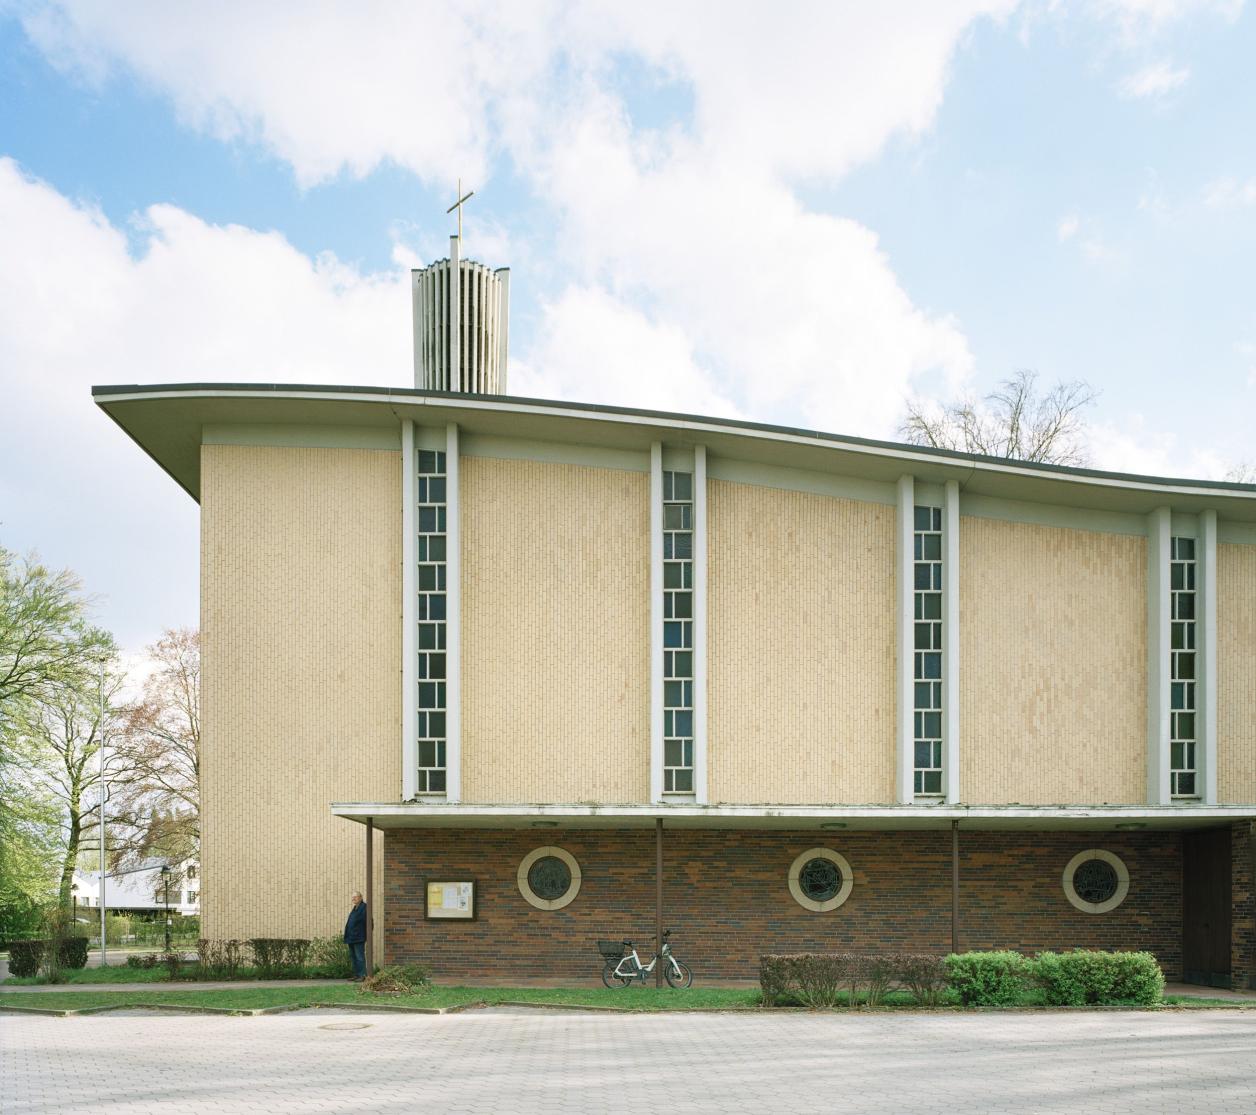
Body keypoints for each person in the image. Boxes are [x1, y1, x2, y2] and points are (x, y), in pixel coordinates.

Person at [343, 891, 367, 981]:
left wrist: (365, 935)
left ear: (361, 897)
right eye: (352, 897)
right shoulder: (355, 908)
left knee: (359, 957)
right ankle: (356, 975)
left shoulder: (364, 907)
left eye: (355, 897)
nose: (353, 899)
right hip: (351, 938)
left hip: (359, 937)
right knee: (353, 957)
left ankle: (362, 975)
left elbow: (369, 923)